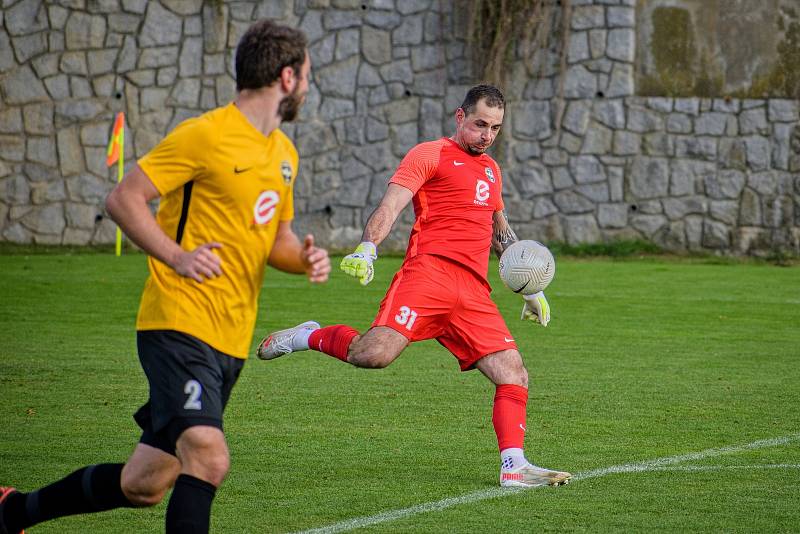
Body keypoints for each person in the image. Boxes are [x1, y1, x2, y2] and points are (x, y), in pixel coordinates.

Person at [0, 19, 330, 534]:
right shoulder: (205, 134)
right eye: (307, 75)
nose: (308, 85)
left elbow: (276, 241)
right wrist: (177, 257)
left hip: (230, 341)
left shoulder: (284, 155)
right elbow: (123, 198)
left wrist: (303, 258)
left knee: (145, 484)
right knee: (209, 458)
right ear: (287, 77)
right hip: (178, 324)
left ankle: (12, 512)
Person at [257, 84, 571, 488]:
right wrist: (368, 247)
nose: (486, 135)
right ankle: (308, 336)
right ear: (460, 118)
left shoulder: (492, 171)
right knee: (373, 355)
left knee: (514, 374)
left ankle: (514, 466)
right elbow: (390, 206)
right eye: (479, 124)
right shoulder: (429, 154)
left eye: (495, 128)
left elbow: (501, 235)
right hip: (428, 276)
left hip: (473, 293)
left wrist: (530, 288)